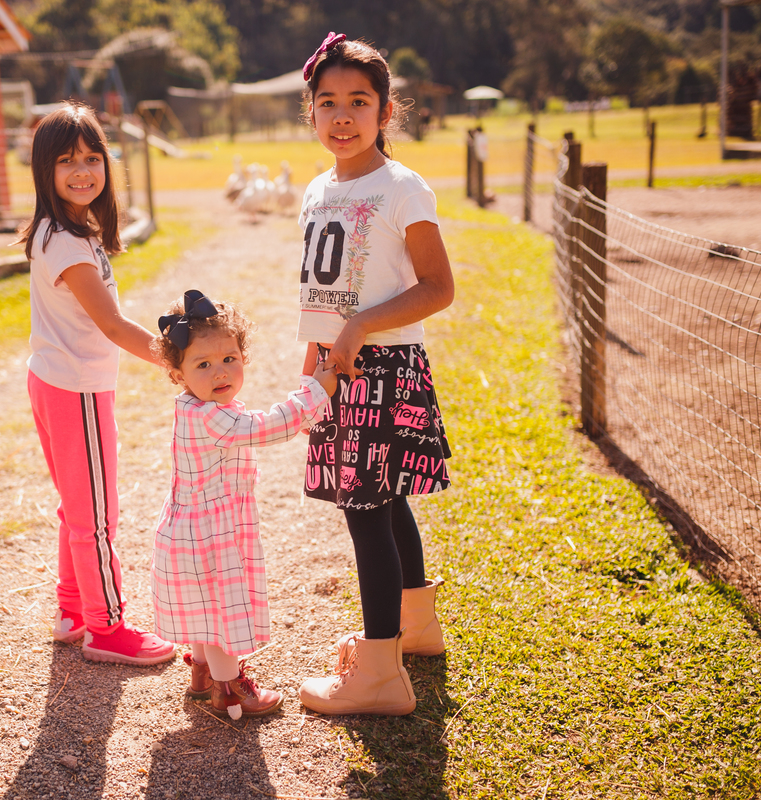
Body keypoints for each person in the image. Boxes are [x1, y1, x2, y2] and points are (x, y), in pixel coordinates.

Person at [294, 33, 456, 716]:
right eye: (327, 101)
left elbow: (438, 286)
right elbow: (320, 287)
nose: (342, 114)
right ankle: (416, 627)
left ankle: (381, 674)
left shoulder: (401, 186)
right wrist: (315, 355)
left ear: (387, 110)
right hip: (339, 370)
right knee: (386, 504)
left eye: (359, 101)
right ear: (310, 112)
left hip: (383, 369)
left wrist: (360, 328)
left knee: (366, 516)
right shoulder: (315, 189)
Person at [16, 101, 174, 666]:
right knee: (97, 517)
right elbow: (111, 325)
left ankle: (71, 610)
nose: (83, 170)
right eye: (66, 161)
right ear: (44, 172)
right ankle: (106, 629)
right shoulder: (64, 241)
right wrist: (177, 362)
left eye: (92, 157)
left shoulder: (67, 231)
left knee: (76, 509)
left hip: (58, 383)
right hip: (74, 390)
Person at [150, 289, 338, 719]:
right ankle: (229, 688)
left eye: (229, 359)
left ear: (243, 357)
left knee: (204, 606)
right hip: (207, 536)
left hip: (195, 529)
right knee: (218, 614)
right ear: (178, 373)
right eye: (202, 364)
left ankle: (202, 672)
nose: (220, 372)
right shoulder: (212, 416)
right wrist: (316, 390)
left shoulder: (200, 407)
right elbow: (269, 426)